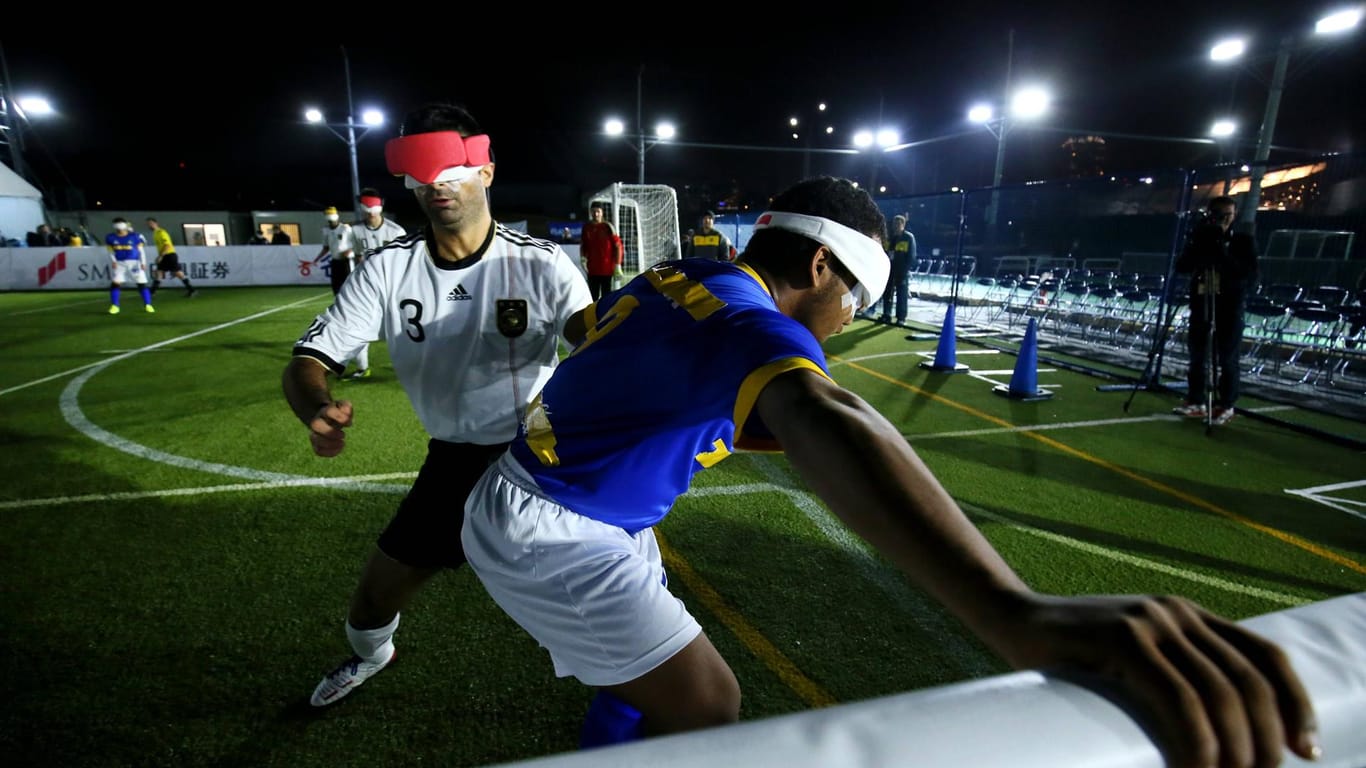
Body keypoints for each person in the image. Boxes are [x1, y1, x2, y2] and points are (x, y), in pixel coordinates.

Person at [461, 176, 1319, 767]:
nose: (846, 322)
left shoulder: (686, 274)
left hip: (556, 496)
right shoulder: (755, 328)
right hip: (565, 527)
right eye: (857, 302)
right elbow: (825, 412)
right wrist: (1013, 610)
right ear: (822, 267)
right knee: (710, 703)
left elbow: (626, 362)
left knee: (648, 677)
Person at [282, 101, 592, 709]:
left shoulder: (543, 262)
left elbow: (594, 341)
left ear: (486, 171)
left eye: (450, 166)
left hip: (537, 450)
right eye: (419, 172)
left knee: (605, 583)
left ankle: (638, 678)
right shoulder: (386, 270)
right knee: (372, 603)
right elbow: (308, 362)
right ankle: (373, 656)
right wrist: (314, 406)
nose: (435, 184)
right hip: (453, 459)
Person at [1172, 195, 1258, 426]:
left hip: (1229, 307)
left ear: (1234, 216)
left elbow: (1247, 275)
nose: (1224, 219)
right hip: (1202, 304)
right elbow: (1182, 266)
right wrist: (1200, 243)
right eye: (1219, 214)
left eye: (1228, 215)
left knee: (1227, 358)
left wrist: (1221, 248)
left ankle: (1226, 404)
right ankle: (1196, 400)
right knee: (1197, 356)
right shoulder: (1202, 238)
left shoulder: (1242, 242)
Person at [345, 188, 409, 379]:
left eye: (372, 205)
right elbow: (357, 257)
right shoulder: (355, 230)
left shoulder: (395, 231)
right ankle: (362, 368)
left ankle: (409, 366)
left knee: (401, 329)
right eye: (366, 205)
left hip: (392, 288)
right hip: (367, 289)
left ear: (380, 207)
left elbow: (404, 261)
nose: (369, 210)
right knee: (359, 327)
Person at [104, 217, 154, 314]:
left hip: (134, 263)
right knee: (115, 283)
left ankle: (148, 304)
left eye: (121, 223)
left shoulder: (135, 236)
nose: (119, 225)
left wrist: (143, 262)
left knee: (141, 284)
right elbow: (110, 251)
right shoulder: (110, 237)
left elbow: (141, 251)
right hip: (120, 263)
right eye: (117, 223)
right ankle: (115, 306)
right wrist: (113, 260)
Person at [579, 202, 623, 300]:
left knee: (606, 298)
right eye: (593, 211)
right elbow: (583, 245)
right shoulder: (586, 228)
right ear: (590, 212)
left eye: (598, 211)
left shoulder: (608, 227)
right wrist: (582, 258)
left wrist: (618, 265)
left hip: (607, 270)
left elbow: (618, 246)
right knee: (592, 298)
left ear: (602, 213)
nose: (596, 214)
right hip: (592, 270)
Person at [878, 213, 916, 324]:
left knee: (902, 295)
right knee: (887, 294)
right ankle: (886, 315)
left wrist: (905, 269)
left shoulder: (908, 238)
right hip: (890, 270)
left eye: (898, 224)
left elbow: (911, 256)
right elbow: (885, 252)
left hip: (901, 271)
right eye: (895, 224)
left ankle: (901, 318)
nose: (896, 226)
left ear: (903, 225)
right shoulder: (890, 237)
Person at [146, 218, 198, 297]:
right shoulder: (156, 233)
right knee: (159, 272)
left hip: (169, 255)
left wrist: (160, 256)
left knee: (177, 273)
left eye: (150, 223)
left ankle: (192, 290)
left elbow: (167, 245)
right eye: (148, 224)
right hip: (166, 255)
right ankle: (152, 292)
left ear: (155, 223)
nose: (149, 225)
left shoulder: (161, 232)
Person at [314, 206, 358, 297]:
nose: (331, 221)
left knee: (348, 283)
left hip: (346, 261)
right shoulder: (326, 230)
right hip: (335, 261)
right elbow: (326, 247)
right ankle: (338, 303)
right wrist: (316, 259)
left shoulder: (345, 228)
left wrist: (349, 250)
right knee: (336, 285)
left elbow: (356, 243)